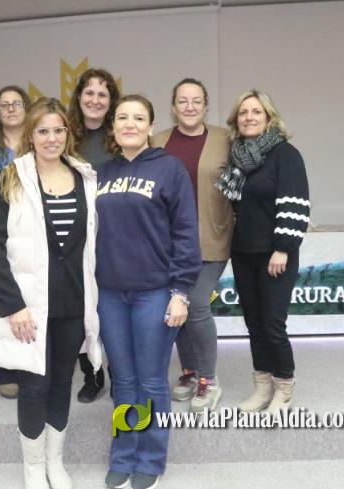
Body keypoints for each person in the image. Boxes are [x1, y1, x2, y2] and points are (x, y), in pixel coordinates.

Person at [0, 98, 102, 489]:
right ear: (30, 135)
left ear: (68, 133)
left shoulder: (85, 177)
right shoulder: (10, 179)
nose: (51, 138)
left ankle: (55, 461)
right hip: (29, 306)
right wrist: (13, 306)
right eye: (43, 131)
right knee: (35, 384)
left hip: (73, 301)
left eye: (58, 130)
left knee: (62, 381)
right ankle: (33, 467)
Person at [97, 94, 201, 489]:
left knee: (152, 380)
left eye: (138, 118)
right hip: (109, 294)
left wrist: (180, 291)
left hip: (155, 292)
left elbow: (186, 232)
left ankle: (151, 459)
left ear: (151, 126)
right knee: (123, 380)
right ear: (113, 126)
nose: (130, 124)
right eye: (122, 117)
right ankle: (124, 454)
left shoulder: (169, 169)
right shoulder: (100, 174)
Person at [216, 89, 309, 416]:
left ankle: (284, 389)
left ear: (269, 118)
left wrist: (283, 249)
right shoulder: (238, 158)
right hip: (244, 253)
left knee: (272, 325)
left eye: (256, 112)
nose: (249, 117)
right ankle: (262, 387)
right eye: (243, 113)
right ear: (236, 120)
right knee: (254, 324)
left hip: (276, 255)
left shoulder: (286, 154)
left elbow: (295, 205)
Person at [152, 78, 233, 413]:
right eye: (183, 101)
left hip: (211, 237)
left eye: (196, 101)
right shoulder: (157, 141)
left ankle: (209, 379)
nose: (189, 107)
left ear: (205, 106)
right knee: (177, 306)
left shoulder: (225, 139)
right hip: (167, 243)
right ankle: (188, 371)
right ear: (173, 107)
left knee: (196, 303)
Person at [66, 67, 120, 402]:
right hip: (75, 236)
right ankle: (92, 375)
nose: (95, 100)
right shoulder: (66, 135)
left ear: (111, 101)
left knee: (111, 307)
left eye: (103, 94)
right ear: (79, 97)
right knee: (81, 308)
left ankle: (120, 374)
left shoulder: (120, 134)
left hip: (113, 234)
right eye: (89, 93)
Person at [0, 84, 32, 399]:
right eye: (5, 105)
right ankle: (4, 369)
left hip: (30, 232)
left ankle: (29, 363)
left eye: (17, 103)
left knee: (29, 297)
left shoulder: (37, 142)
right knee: (0, 298)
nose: (11, 109)